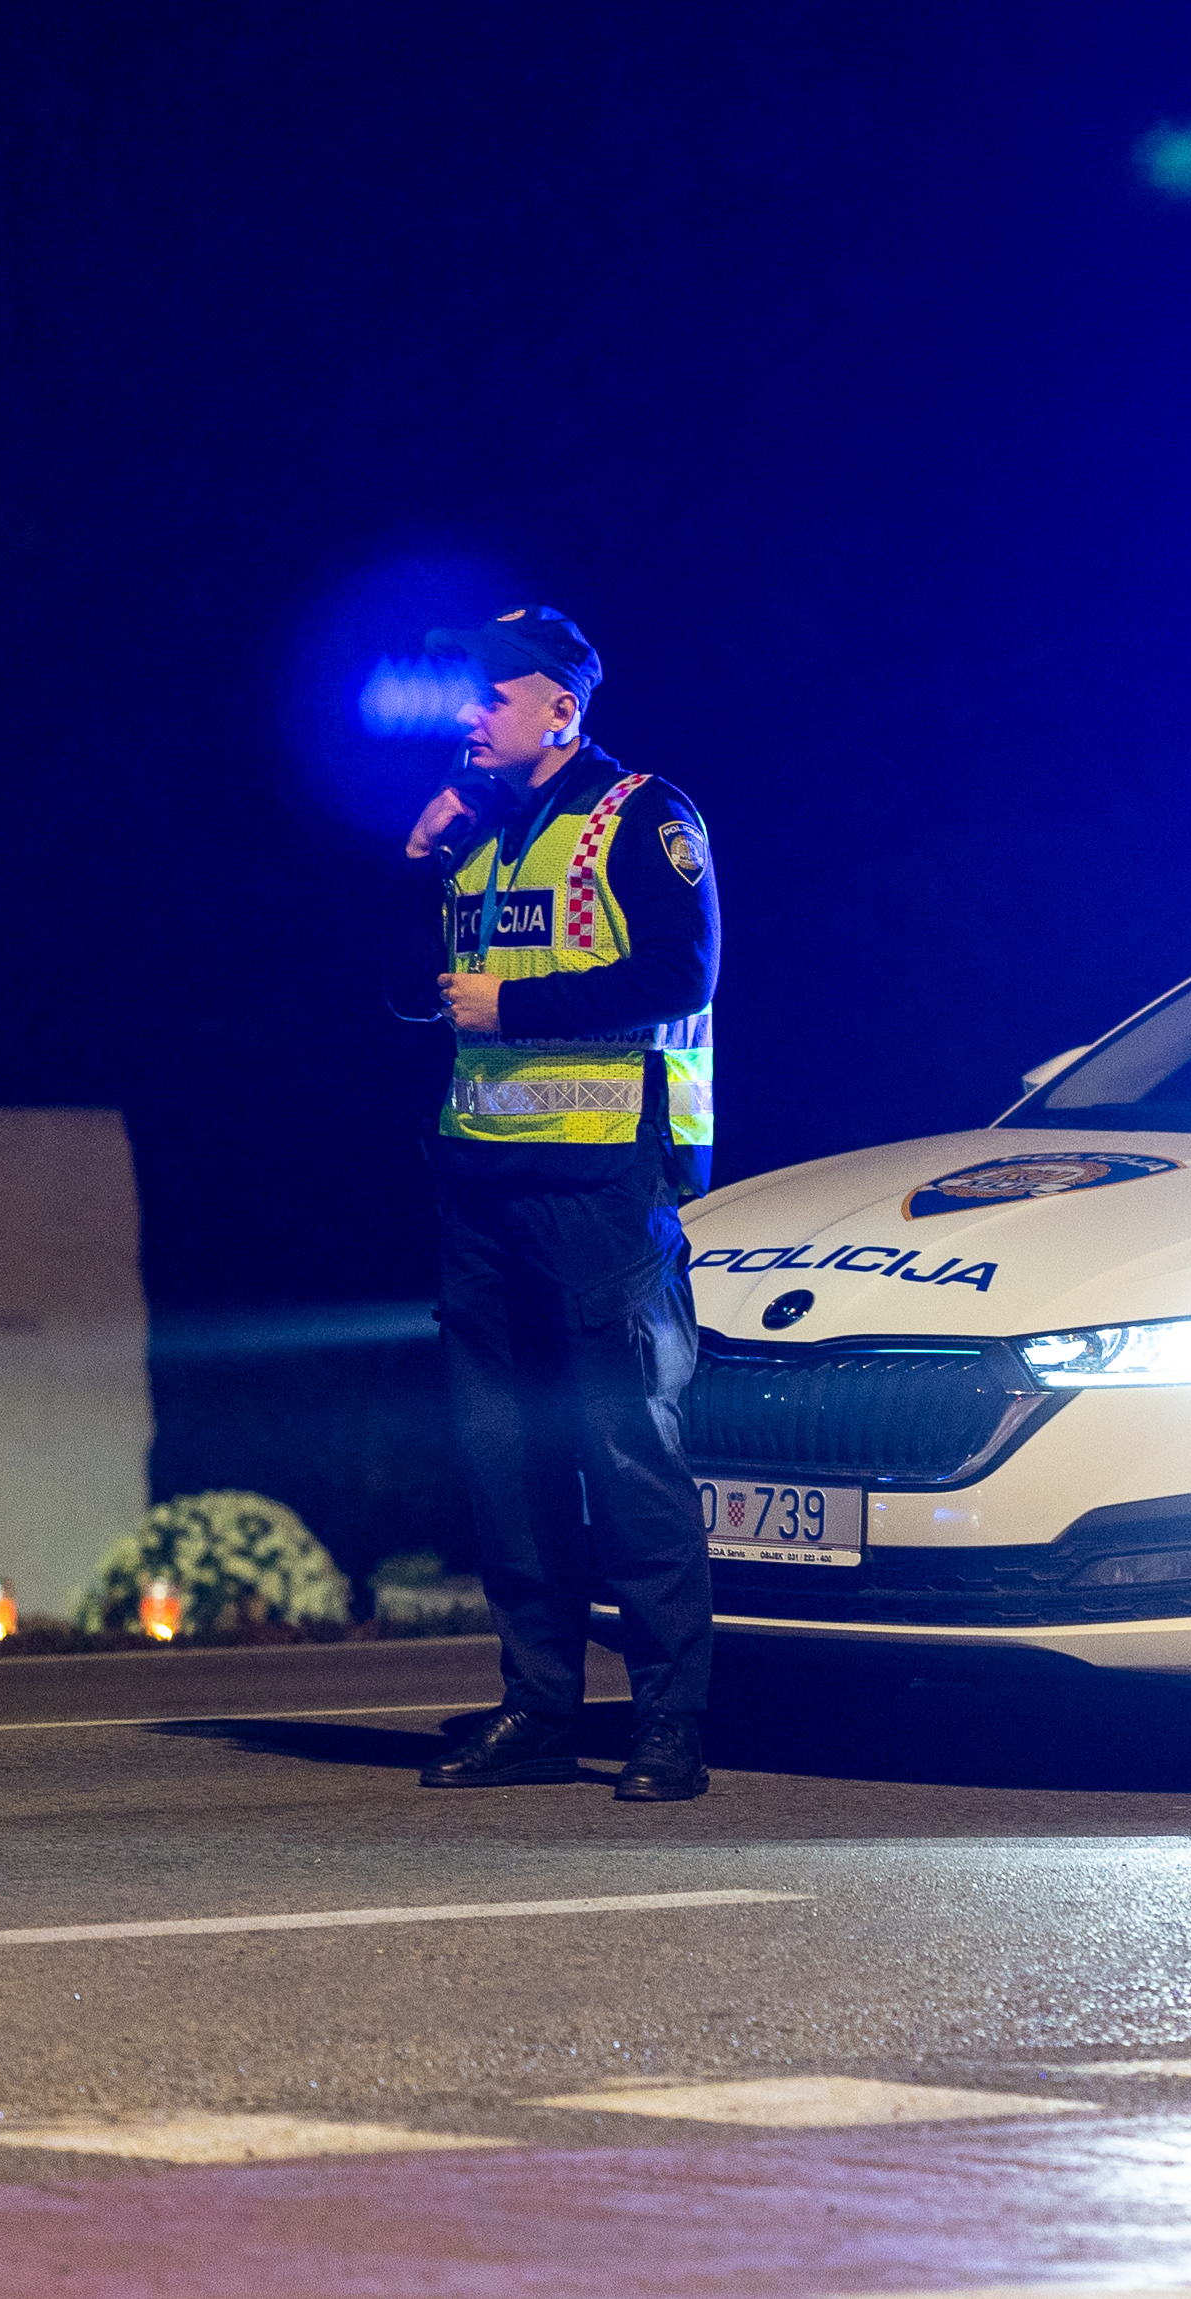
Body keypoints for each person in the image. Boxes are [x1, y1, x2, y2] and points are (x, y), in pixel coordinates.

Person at [402, 604, 721, 1803]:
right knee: (507, 1458)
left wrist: (519, 1014)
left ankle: (667, 1727)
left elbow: (683, 969)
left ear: (561, 708)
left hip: (601, 1182)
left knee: (627, 1448)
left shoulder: (645, 814)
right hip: (482, 1177)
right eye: (465, 696)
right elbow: (419, 996)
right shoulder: (483, 827)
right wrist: (415, 859)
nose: (469, 715)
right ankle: (538, 1710)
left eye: (492, 695)